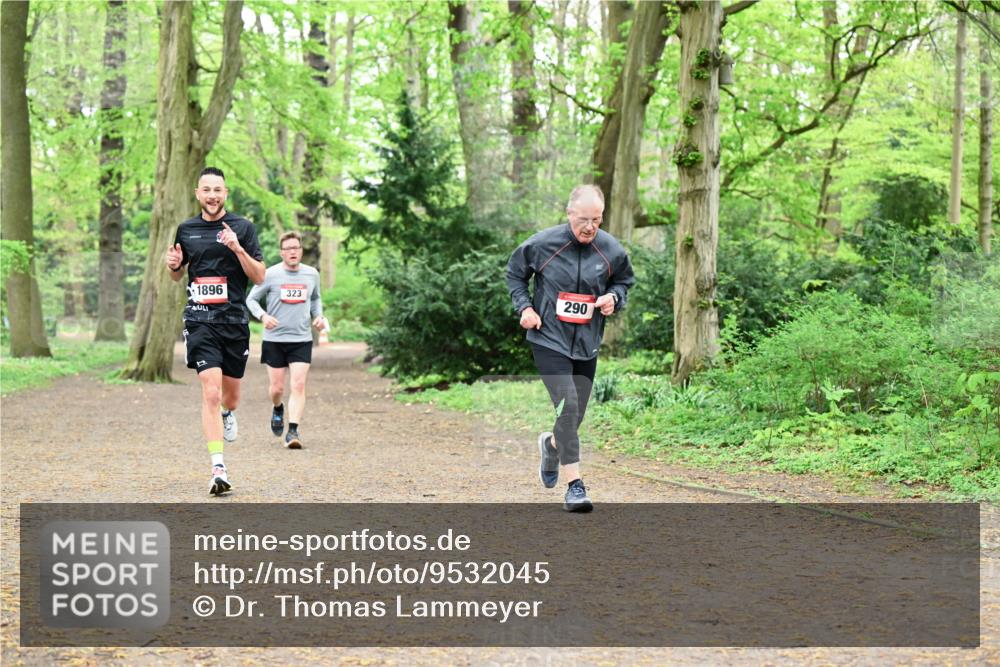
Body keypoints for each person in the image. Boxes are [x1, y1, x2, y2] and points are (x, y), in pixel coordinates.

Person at [506, 184, 635, 512]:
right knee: (569, 406)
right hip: (548, 339)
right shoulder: (542, 244)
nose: (590, 227)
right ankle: (575, 486)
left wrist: (614, 298)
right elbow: (515, 275)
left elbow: (623, 281)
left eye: (597, 219)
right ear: (569, 214)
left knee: (573, 416)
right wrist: (525, 308)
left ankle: (551, 446)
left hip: (587, 344)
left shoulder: (611, 250)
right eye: (583, 219)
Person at [165, 167, 265, 496]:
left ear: (225, 193)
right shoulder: (186, 229)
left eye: (217, 190)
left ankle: (227, 413)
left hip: (234, 322)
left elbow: (261, 276)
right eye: (206, 190)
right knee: (210, 391)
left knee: (230, 396)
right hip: (199, 319)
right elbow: (179, 276)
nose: (212, 195)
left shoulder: (243, 228)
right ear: (197, 194)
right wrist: (174, 267)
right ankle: (218, 467)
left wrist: (237, 248)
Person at [246, 231, 325, 449]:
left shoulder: (311, 274)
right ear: (282, 252)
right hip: (275, 339)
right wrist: (263, 316)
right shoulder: (270, 274)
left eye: (296, 248)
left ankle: (293, 431)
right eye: (288, 248)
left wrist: (318, 316)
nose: (293, 252)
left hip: (301, 338)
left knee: (298, 384)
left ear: (301, 251)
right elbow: (251, 300)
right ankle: (278, 407)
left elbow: (316, 299)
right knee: (277, 388)